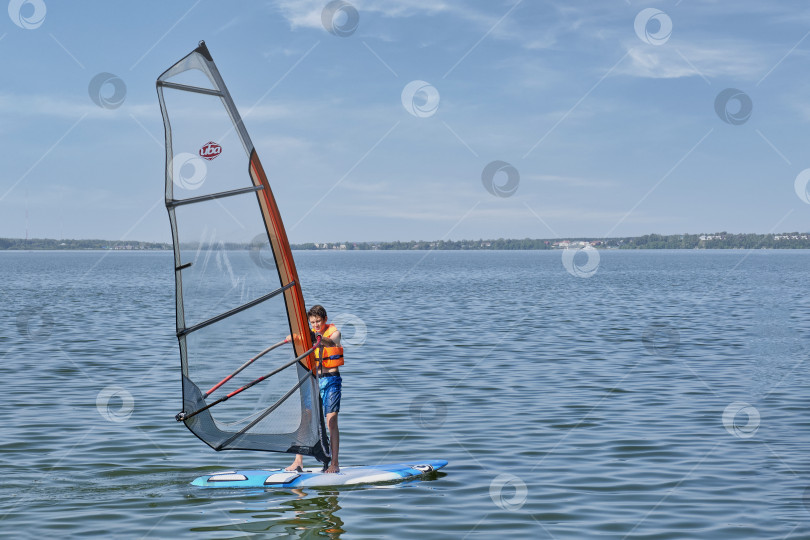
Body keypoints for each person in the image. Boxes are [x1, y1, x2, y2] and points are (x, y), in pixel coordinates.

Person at [287, 305, 343, 473]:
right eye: (313, 322)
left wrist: (315, 337)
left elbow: (332, 342)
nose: (316, 324)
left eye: (318, 321)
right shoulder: (309, 334)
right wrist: (294, 338)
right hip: (313, 381)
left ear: (325, 319)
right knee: (305, 419)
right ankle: (298, 461)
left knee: (331, 421)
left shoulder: (334, 333)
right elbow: (293, 337)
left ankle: (334, 463)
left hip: (331, 380)